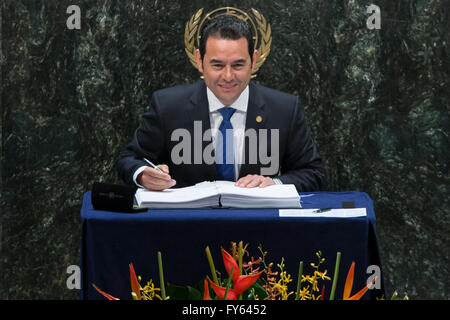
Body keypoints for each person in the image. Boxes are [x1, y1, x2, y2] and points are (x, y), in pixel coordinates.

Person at [116, 14, 326, 192]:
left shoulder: (285, 109)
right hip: (187, 228)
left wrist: (275, 183)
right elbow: (129, 159)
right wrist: (143, 174)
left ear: (253, 61)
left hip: (261, 230)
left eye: (238, 65)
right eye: (217, 65)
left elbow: (313, 172)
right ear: (200, 60)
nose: (228, 76)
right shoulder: (167, 106)